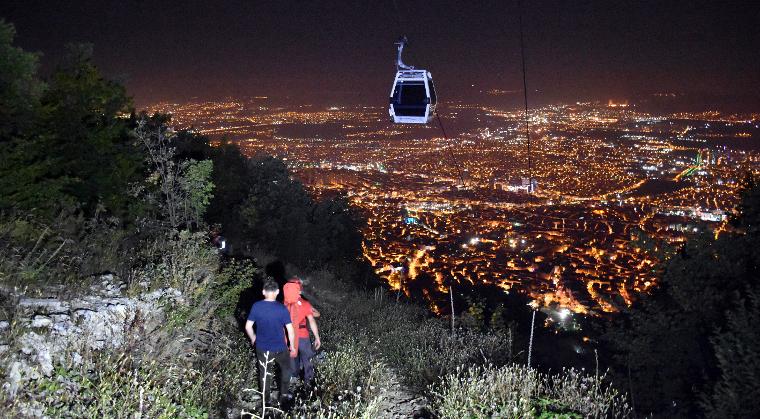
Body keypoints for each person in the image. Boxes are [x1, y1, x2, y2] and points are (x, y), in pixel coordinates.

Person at [245, 279, 297, 406]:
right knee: (286, 369)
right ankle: (283, 395)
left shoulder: (256, 306)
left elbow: (248, 326)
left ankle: (265, 400)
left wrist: (253, 338)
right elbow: (290, 329)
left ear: (263, 292)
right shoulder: (282, 309)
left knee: (264, 373)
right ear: (278, 292)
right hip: (280, 347)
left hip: (262, 347)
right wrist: (292, 346)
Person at [283, 277, 321, 386]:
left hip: (287, 336)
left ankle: (293, 377)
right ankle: (308, 381)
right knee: (307, 357)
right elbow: (313, 319)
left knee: (291, 356)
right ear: (299, 289)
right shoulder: (304, 303)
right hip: (302, 335)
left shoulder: (282, 303)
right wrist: (317, 337)